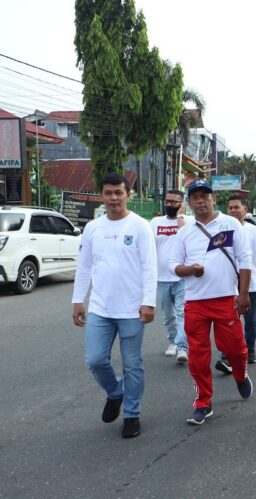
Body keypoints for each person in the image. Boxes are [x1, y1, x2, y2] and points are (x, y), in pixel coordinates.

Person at [71, 173, 157, 439]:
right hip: (101, 308)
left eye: (119, 192)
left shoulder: (140, 226)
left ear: (128, 194)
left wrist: (148, 302)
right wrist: (77, 300)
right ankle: (116, 392)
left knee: (132, 364)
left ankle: (132, 414)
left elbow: (149, 266)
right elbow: (84, 266)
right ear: (101, 195)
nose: (114, 198)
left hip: (132, 310)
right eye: (108, 193)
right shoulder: (93, 228)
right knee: (95, 359)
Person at [170, 180, 254, 425]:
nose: (200, 200)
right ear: (189, 202)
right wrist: (189, 269)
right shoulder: (184, 232)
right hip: (195, 302)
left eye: (204, 196)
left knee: (236, 349)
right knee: (198, 356)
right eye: (194, 197)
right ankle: (203, 403)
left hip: (226, 298)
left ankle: (240, 374)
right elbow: (173, 265)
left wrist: (244, 294)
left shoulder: (230, 224)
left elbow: (245, 259)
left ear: (213, 199)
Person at [150, 189, 189, 364]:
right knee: (167, 315)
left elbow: (186, 237)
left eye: (174, 202)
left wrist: (181, 217)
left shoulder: (189, 222)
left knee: (181, 313)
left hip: (182, 277)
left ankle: (182, 347)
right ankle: (172, 341)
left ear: (182, 204)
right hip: (162, 278)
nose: (169, 205)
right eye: (167, 201)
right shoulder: (156, 222)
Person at [227, 194, 256, 363]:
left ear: (245, 210)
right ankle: (228, 354)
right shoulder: (223, 230)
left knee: (250, 321)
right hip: (228, 285)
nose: (233, 210)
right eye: (230, 208)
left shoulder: (254, 231)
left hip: (251, 284)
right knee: (229, 321)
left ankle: (250, 350)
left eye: (236, 207)